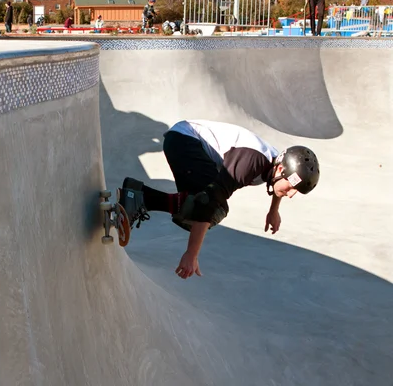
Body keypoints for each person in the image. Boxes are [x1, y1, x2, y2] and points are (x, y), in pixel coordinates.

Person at [118, 120, 320, 280]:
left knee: (199, 207)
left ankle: (137, 195)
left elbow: (279, 185)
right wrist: (191, 254)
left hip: (188, 142)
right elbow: (209, 201)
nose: (292, 194)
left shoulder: (277, 162)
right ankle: (139, 197)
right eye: (292, 188)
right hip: (185, 140)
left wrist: (273, 210)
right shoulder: (250, 163)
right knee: (208, 207)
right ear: (280, 170)